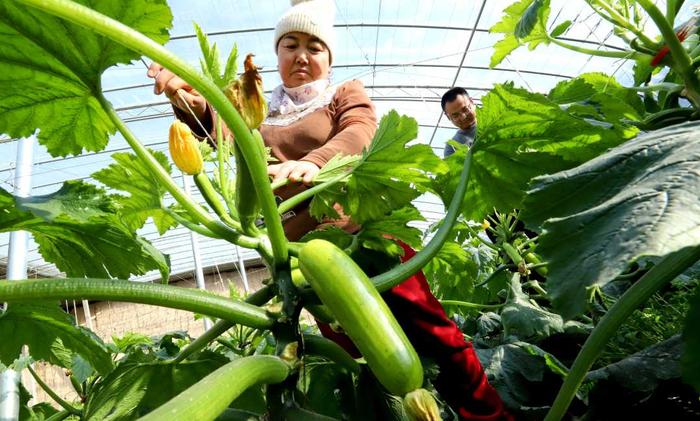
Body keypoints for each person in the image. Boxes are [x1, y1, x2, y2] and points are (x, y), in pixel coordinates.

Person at [148, 1, 509, 419]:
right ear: (277, 53)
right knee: (358, 361)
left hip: (366, 236)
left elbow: (360, 132)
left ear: (328, 57)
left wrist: (314, 163)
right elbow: (220, 132)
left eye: (314, 46)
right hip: (311, 260)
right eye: (290, 44)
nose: (302, 55)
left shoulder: (343, 93)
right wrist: (186, 96)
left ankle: (490, 415)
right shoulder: (259, 114)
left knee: (439, 338)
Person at [441, 87, 477, 158]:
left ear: (472, 102)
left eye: (465, 109)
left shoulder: (494, 121)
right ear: (448, 117)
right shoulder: (451, 148)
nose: (463, 116)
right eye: (455, 115)